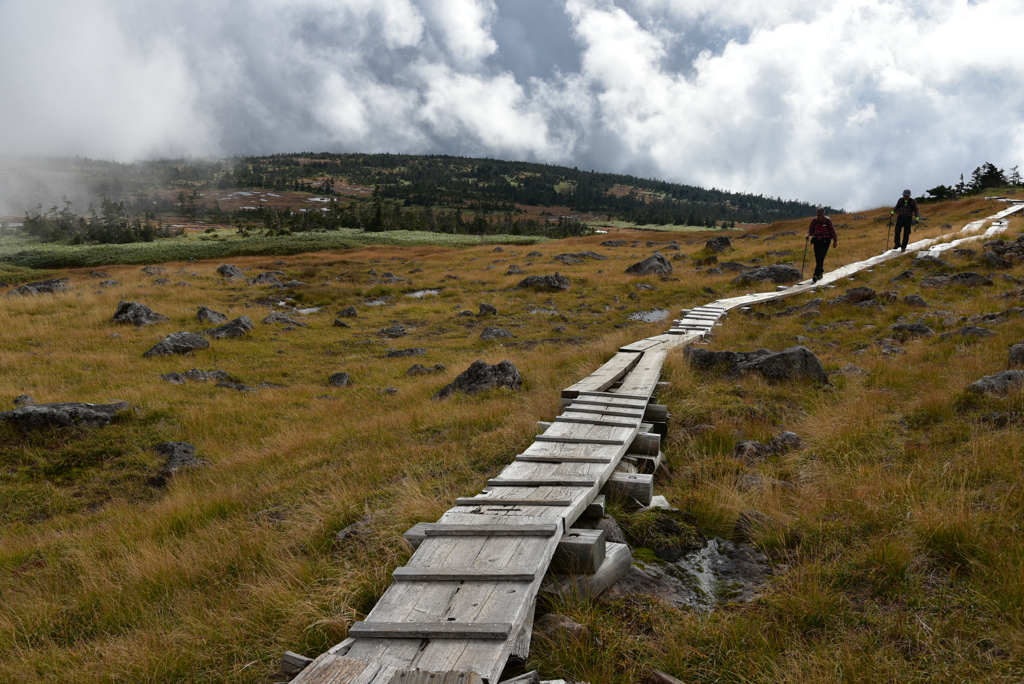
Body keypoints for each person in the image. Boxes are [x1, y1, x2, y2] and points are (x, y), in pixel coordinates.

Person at [806, 206, 838, 283]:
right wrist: (808, 235)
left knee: (820, 257)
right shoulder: (814, 221)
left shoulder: (827, 221)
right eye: (818, 215)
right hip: (816, 241)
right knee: (817, 258)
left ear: (824, 214)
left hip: (826, 241)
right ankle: (820, 272)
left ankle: (816, 275)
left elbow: (832, 231)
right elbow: (811, 230)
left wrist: (835, 241)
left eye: (820, 215)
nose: (819, 217)